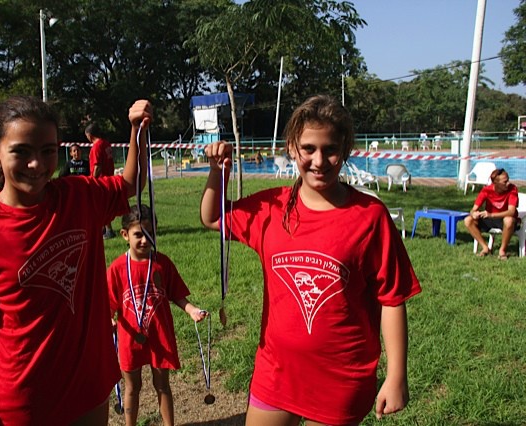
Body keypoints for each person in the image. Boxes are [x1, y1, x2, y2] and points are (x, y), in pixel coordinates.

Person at [200, 95, 421, 426]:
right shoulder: (271, 208)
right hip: (276, 372)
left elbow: (392, 298)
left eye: (330, 149)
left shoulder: (369, 216)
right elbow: (212, 218)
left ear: (344, 149)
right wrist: (217, 172)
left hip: (341, 377)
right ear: (292, 148)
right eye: (308, 148)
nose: (319, 160)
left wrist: (396, 376)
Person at [0, 95, 153, 426]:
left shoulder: (79, 197)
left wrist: (137, 130)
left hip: (90, 385)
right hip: (26, 400)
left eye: (47, 151)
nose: (37, 164)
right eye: (21, 151)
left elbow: (131, 183)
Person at [107, 204, 207, 426]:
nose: (145, 240)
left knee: (162, 385)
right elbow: (109, 305)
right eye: (138, 235)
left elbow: (177, 294)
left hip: (159, 337)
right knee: (132, 387)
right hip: (130, 339)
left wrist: (192, 310)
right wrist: (109, 319)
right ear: (124, 235)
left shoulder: (162, 263)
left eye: (150, 233)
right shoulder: (117, 269)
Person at [464, 168, 519, 259]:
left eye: (508, 180)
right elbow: (473, 209)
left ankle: (502, 251)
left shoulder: (512, 189)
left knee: (508, 220)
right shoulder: (486, 190)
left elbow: (511, 211)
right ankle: (485, 248)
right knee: (468, 220)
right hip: (490, 220)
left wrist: (491, 215)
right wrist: (474, 213)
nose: (508, 183)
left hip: (505, 219)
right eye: (505, 182)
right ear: (495, 183)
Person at [86, 122, 117, 239]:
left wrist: (93, 181)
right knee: (103, 205)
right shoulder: (106, 143)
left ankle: (108, 230)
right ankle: (102, 228)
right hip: (109, 178)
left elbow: (97, 166)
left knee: (101, 206)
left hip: (101, 180)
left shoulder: (96, 146)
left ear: (90, 135)